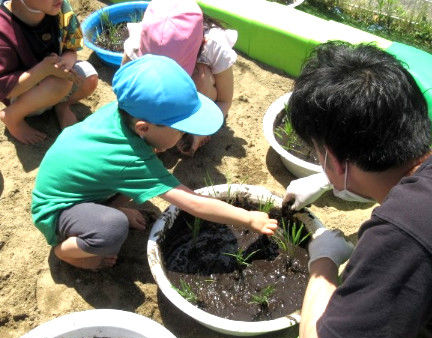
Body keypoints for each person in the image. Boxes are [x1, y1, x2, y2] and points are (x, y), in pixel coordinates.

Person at [282, 42, 432, 338]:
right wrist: (328, 179)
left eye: (317, 154)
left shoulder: (403, 236)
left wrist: (323, 265)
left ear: (334, 161)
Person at [31, 54, 277, 271]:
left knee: (145, 173)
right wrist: (248, 218)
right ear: (144, 128)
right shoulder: (131, 159)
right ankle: (65, 253)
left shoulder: (123, 112)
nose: (185, 135)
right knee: (113, 230)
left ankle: (109, 209)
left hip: (85, 184)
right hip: (57, 210)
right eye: (181, 130)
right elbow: (193, 203)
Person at [122, 0, 237, 156]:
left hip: (199, 89)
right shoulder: (137, 44)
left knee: (202, 78)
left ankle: (188, 122)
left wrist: (199, 132)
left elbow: (225, 100)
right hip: (162, 98)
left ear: (201, 43)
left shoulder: (213, 47)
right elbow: (125, 95)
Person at [0, 0, 98, 145]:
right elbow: (4, 90)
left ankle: (62, 105)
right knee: (61, 83)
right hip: (23, 93)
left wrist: (65, 61)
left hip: (53, 77)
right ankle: (13, 117)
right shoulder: (4, 30)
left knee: (90, 78)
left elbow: (71, 48)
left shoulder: (60, 7)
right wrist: (43, 70)